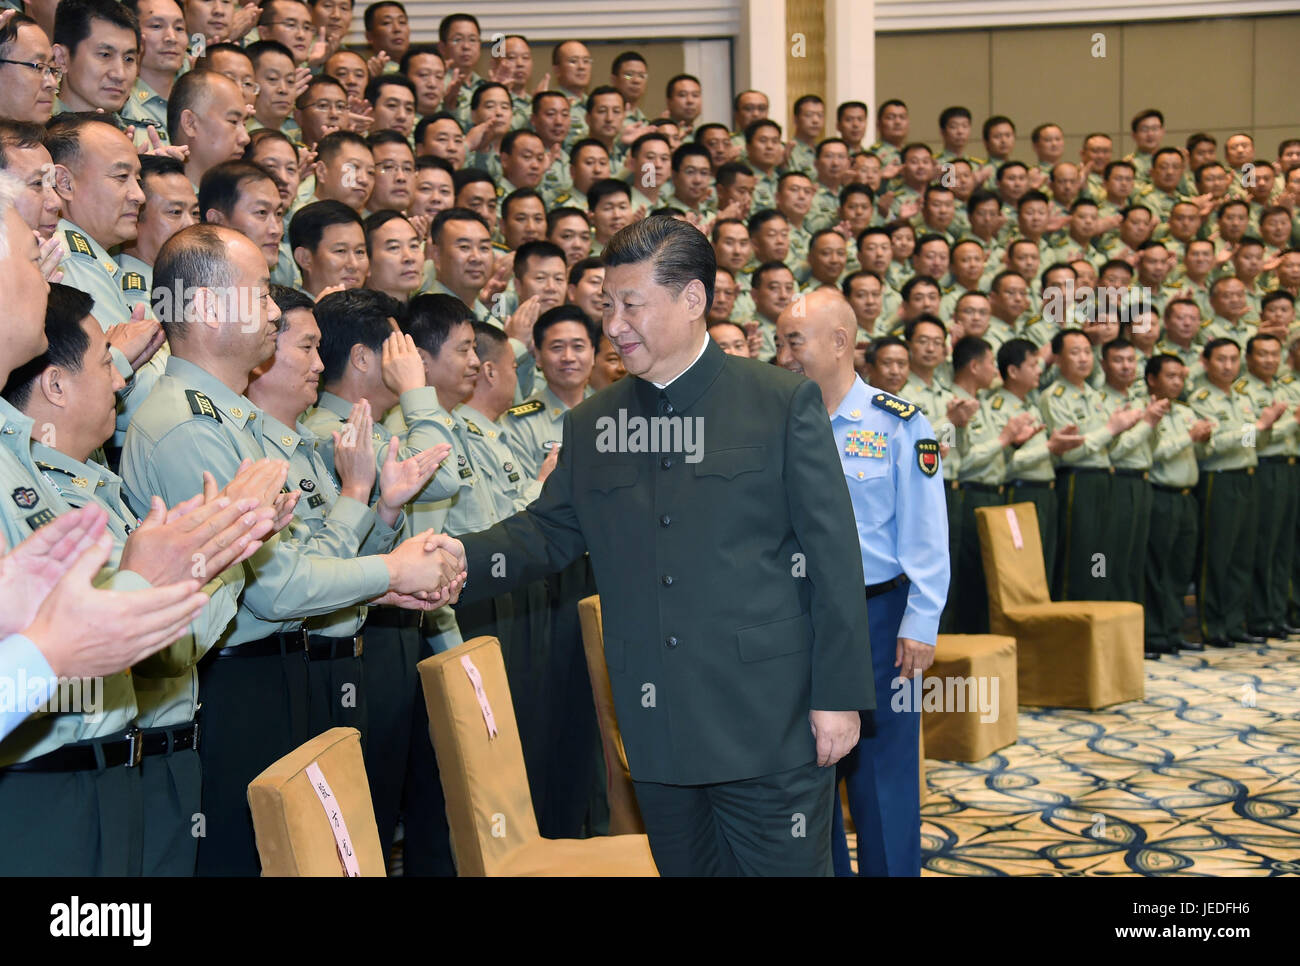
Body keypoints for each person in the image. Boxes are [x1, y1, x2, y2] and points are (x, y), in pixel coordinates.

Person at [430, 217, 873, 876]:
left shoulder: (778, 402)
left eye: (632, 304)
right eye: (607, 304)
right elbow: (547, 532)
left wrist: (838, 695)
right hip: (658, 726)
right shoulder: (592, 423)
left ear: (692, 300)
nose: (614, 323)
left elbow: (834, 556)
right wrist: (455, 561)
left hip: (769, 724)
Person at [120, 224, 465, 875]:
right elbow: (270, 589)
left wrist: (380, 581)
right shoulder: (187, 427)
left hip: (275, 670)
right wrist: (388, 567)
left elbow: (290, 561)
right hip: (234, 683)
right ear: (206, 308)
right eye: (257, 292)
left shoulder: (235, 423)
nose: (274, 310)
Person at [776, 286, 947, 878]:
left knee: (884, 772)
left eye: (794, 341)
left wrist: (920, 623)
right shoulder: (773, 420)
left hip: (880, 616)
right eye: (779, 342)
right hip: (796, 617)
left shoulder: (901, 424)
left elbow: (926, 534)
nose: (785, 355)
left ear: (840, 341)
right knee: (808, 769)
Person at [1187, 338, 1284, 647]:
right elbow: (1211, 447)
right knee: (1218, 555)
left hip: (1248, 476)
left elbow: (1258, 442)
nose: (1228, 366)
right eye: (1221, 359)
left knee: (1243, 554)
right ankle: (1212, 624)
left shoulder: (1241, 398)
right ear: (1205, 362)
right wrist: (1256, 428)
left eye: (1233, 359)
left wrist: (1263, 429)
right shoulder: (1201, 399)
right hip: (1219, 479)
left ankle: (1234, 621)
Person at [1040, 328, 1142, 601]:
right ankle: (1073, 619)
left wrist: (1133, 428)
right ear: (1059, 359)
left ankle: (1098, 610)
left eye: (1087, 352)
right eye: (1075, 353)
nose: (1084, 358)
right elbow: (1069, 453)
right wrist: (1111, 429)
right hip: (1076, 480)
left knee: (1102, 553)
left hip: (1104, 478)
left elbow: (1112, 448)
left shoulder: (1096, 396)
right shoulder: (1055, 396)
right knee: (1080, 554)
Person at [1144, 353, 1210, 657]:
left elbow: (1205, 448)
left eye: (1180, 377)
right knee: (1157, 569)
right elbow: (1153, 454)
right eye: (1169, 376)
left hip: (1188, 497)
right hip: (1161, 494)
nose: (1176, 382)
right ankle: (1154, 633)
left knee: (1180, 568)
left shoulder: (1185, 411)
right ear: (1152, 380)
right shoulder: (1146, 412)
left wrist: (1204, 437)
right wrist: (1188, 437)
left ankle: (1173, 630)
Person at [1235, 334, 1300, 639]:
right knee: (1263, 545)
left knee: (1284, 548)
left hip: (1290, 468)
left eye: (1275, 354)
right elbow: (1248, 438)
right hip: (1263, 469)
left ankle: (1277, 612)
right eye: (1262, 354)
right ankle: (1259, 616)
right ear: (1248, 359)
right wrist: (1288, 424)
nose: (1269, 360)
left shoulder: (1285, 388)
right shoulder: (1241, 392)